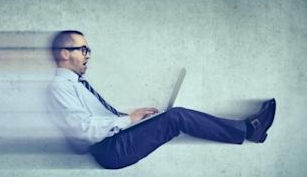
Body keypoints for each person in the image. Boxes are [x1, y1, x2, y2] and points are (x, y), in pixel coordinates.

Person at [46, 30, 276, 169]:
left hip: (113, 140)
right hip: (110, 152)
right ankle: (248, 130)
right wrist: (127, 121)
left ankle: (245, 129)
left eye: (88, 49)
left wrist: (130, 118)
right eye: (83, 49)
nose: (88, 55)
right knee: (177, 118)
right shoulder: (59, 87)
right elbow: (82, 131)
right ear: (65, 53)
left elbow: (92, 119)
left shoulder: (74, 84)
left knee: (171, 116)